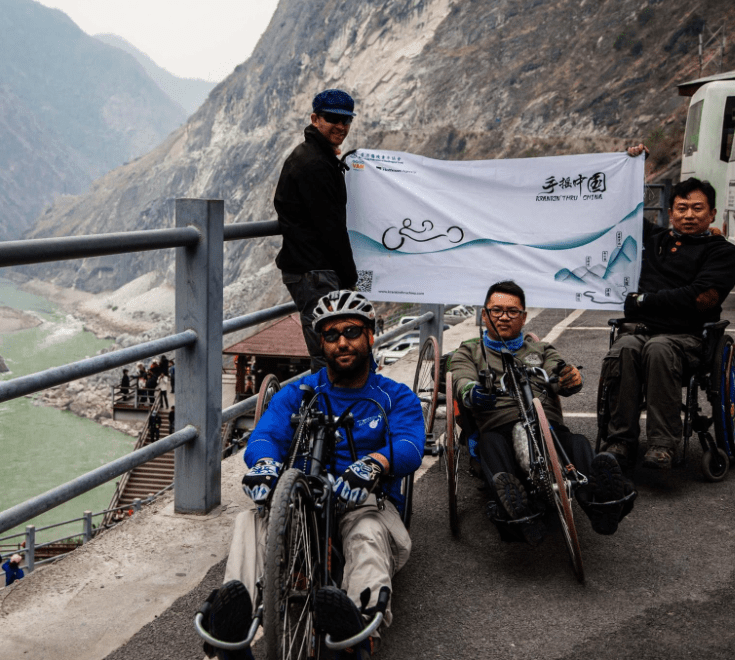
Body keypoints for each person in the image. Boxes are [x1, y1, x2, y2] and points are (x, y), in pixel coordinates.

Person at [197, 291, 424, 660]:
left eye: (352, 331)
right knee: (249, 522)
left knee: (367, 533)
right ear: (322, 343)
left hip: (363, 501)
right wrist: (266, 464)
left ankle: (357, 635)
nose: (342, 342)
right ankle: (232, 632)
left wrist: (375, 463)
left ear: (370, 335)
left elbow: (411, 446)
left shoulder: (394, 396)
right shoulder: (299, 393)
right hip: (303, 496)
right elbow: (266, 436)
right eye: (332, 335)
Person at [447, 281, 634, 542]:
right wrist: (473, 392)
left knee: (576, 442)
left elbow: (559, 373)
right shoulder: (468, 351)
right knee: (491, 446)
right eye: (496, 310)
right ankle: (519, 515)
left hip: (545, 422)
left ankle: (602, 504)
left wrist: (571, 379)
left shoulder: (541, 349)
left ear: (524, 318)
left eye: (512, 311)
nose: (503, 316)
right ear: (484, 315)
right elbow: (460, 381)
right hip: (498, 422)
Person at [601, 174, 735, 470]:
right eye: (681, 208)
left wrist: (646, 301)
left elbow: (700, 297)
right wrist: (633, 165)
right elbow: (621, 209)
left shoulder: (722, 252)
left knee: (659, 349)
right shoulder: (654, 241)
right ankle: (621, 440)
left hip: (689, 337)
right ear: (670, 212)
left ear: (712, 213)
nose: (689, 215)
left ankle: (663, 444)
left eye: (697, 208)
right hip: (642, 331)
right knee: (624, 347)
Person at [274, 89, 359, 373]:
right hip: (314, 272)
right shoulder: (315, 164)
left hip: (312, 270)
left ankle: (330, 411)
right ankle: (326, 413)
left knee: (330, 352)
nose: (341, 126)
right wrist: (349, 278)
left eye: (346, 119)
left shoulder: (316, 157)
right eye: (333, 118)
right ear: (315, 118)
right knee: (329, 354)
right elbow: (331, 228)